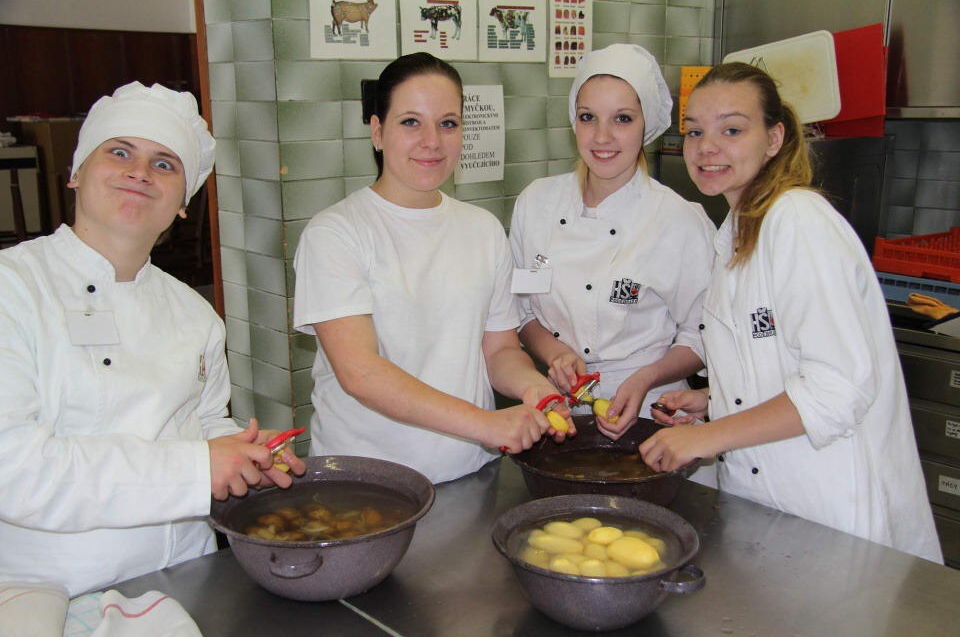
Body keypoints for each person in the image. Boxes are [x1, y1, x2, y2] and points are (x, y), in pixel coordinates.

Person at [0, 82, 306, 596]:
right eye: (119, 152)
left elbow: (202, 421)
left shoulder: (194, 312)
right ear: (76, 173)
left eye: (165, 164)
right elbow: (14, 468)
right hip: (55, 591)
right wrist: (199, 467)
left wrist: (244, 451)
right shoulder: (13, 287)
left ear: (182, 203)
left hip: (187, 577)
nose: (140, 172)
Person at [640, 62, 942, 563]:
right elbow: (785, 362)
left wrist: (708, 437)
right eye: (694, 132)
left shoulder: (798, 221)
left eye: (732, 130)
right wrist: (717, 400)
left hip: (833, 510)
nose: (706, 147)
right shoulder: (736, 235)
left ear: (774, 138)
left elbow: (838, 387)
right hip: (769, 508)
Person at [292, 53, 568, 484]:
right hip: (368, 483)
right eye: (410, 122)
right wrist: (486, 424)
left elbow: (499, 350)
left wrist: (533, 387)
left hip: (469, 470)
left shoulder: (482, 229)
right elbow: (360, 373)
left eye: (448, 123)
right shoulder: (336, 233)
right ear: (377, 131)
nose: (432, 141)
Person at [509, 44, 716, 439]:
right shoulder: (535, 204)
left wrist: (645, 377)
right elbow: (521, 312)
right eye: (588, 117)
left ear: (645, 125)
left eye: (622, 118)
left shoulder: (679, 221)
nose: (602, 136)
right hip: (561, 409)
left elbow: (702, 334)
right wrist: (556, 354)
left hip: (655, 413)